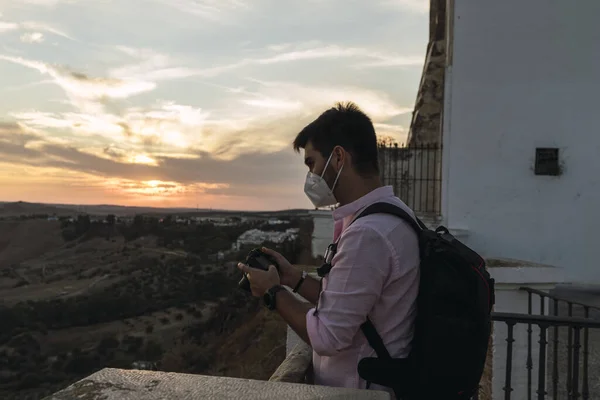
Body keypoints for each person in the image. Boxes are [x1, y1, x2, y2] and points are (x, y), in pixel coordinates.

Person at [237, 102, 420, 397]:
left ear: (337, 157)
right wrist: (293, 279)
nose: (310, 176)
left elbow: (328, 336)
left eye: (311, 163)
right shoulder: (391, 215)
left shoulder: (368, 234)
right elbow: (351, 302)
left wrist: (273, 293)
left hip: (361, 392)